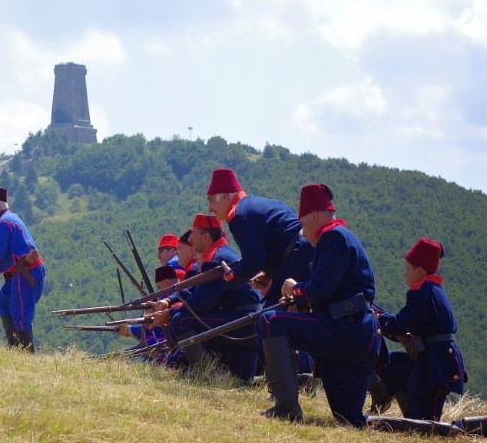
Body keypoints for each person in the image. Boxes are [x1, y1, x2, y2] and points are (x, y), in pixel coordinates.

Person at [256, 183, 379, 427]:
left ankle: (286, 407)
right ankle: (433, 428)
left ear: (313, 216)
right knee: (350, 420)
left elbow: (320, 289)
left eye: (303, 223)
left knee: (270, 321)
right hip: (357, 333)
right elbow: (335, 292)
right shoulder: (344, 236)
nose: (303, 231)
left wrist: (294, 288)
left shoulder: (332, 236)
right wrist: (304, 305)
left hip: (343, 330)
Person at [152, 214, 260, 383]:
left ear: (205, 237)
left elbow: (200, 302)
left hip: (242, 320)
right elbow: (195, 289)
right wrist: (169, 301)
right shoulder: (219, 254)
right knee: (241, 381)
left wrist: (169, 314)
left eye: (194, 234)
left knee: (181, 320)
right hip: (241, 317)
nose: (191, 239)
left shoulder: (216, 259)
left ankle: (205, 376)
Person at [371, 238, 466, 420]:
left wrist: (377, 317)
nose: (405, 274)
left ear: (420, 271)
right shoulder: (432, 289)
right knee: (388, 363)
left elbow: (401, 323)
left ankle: (413, 420)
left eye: (408, 269)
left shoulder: (423, 292)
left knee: (426, 422)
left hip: (435, 364)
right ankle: (402, 410)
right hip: (433, 359)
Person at [205, 168, 313, 307]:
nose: (209, 208)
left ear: (225, 197)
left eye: (211, 200)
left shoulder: (238, 215)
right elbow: (277, 241)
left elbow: (253, 261)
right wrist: (268, 273)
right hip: (305, 253)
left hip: (295, 259)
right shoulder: (259, 203)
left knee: (270, 316)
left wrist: (232, 276)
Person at [0, 186, 46, 352]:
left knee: (21, 316)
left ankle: (27, 355)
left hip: (25, 272)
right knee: (1, 300)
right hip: (25, 271)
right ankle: (14, 344)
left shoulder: (2, 223)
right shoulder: (11, 218)